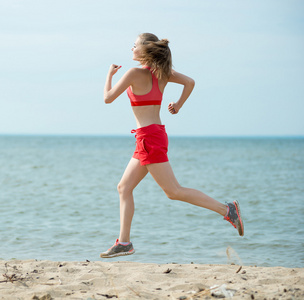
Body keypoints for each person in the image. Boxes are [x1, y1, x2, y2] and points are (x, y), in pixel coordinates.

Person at [100, 33, 244, 258]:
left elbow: (108, 98)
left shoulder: (133, 73)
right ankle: (124, 242)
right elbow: (190, 82)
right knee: (124, 188)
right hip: (150, 136)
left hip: (149, 138)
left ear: (146, 49)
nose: (131, 49)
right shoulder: (162, 73)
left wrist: (108, 75)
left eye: (134, 45)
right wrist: (178, 105)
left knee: (173, 191)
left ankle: (227, 210)